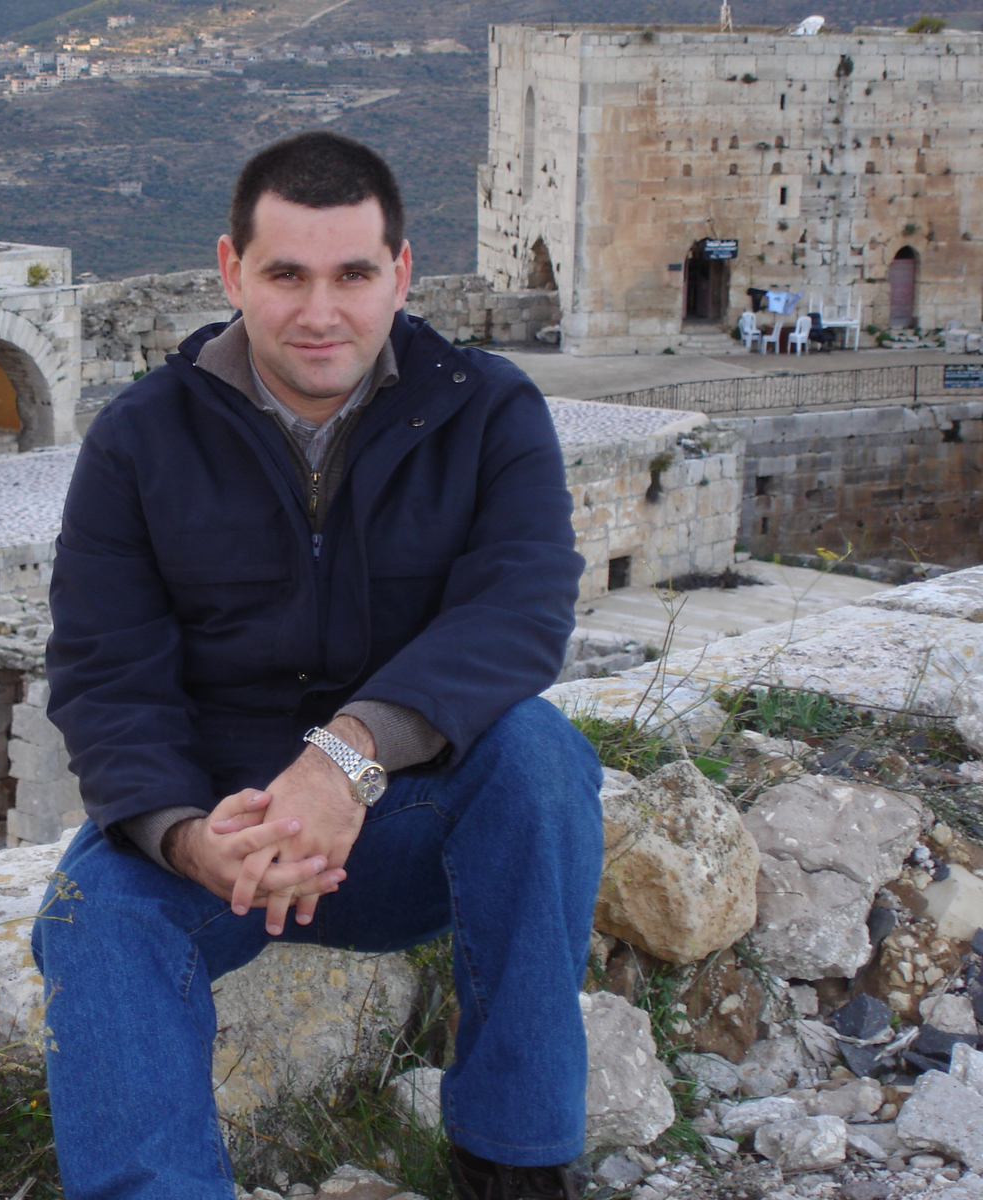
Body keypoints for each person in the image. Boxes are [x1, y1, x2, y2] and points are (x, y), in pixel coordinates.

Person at [32, 130, 605, 1200]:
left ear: (400, 272)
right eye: (285, 274)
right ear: (229, 270)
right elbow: (106, 671)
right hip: (225, 839)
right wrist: (184, 837)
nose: (318, 312)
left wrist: (350, 757)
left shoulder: (488, 413)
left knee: (538, 758)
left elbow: (520, 610)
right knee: (89, 913)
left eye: (351, 275)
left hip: (412, 828)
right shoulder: (138, 440)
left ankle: (514, 1169)